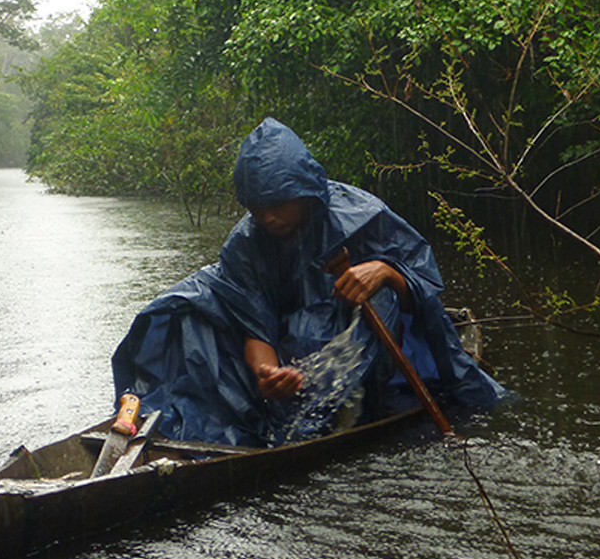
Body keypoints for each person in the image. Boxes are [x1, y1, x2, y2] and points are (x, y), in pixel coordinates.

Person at [111, 117, 505, 446]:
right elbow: (252, 320)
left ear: (303, 192)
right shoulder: (246, 245)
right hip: (292, 353)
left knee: (380, 296)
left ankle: (345, 410)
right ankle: (284, 412)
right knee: (192, 304)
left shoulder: (361, 215)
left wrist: (386, 272)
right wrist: (267, 375)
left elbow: (425, 287)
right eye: (256, 207)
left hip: (366, 347)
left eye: (277, 204)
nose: (267, 218)